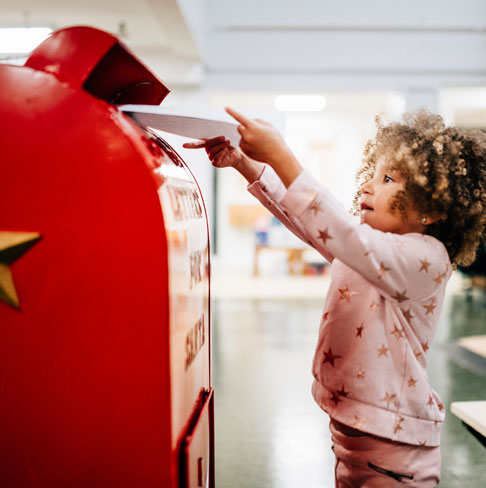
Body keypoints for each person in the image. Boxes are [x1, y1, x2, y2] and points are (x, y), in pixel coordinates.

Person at [184, 107, 486, 487]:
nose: (367, 186)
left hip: (396, 451)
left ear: (430, 209)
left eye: (389, 178)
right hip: (354, 437)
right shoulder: (369, 248)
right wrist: (244, 163)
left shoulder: (425, 257)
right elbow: (312, 223)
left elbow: (341, 231)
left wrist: (281, 155)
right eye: (372, 175)